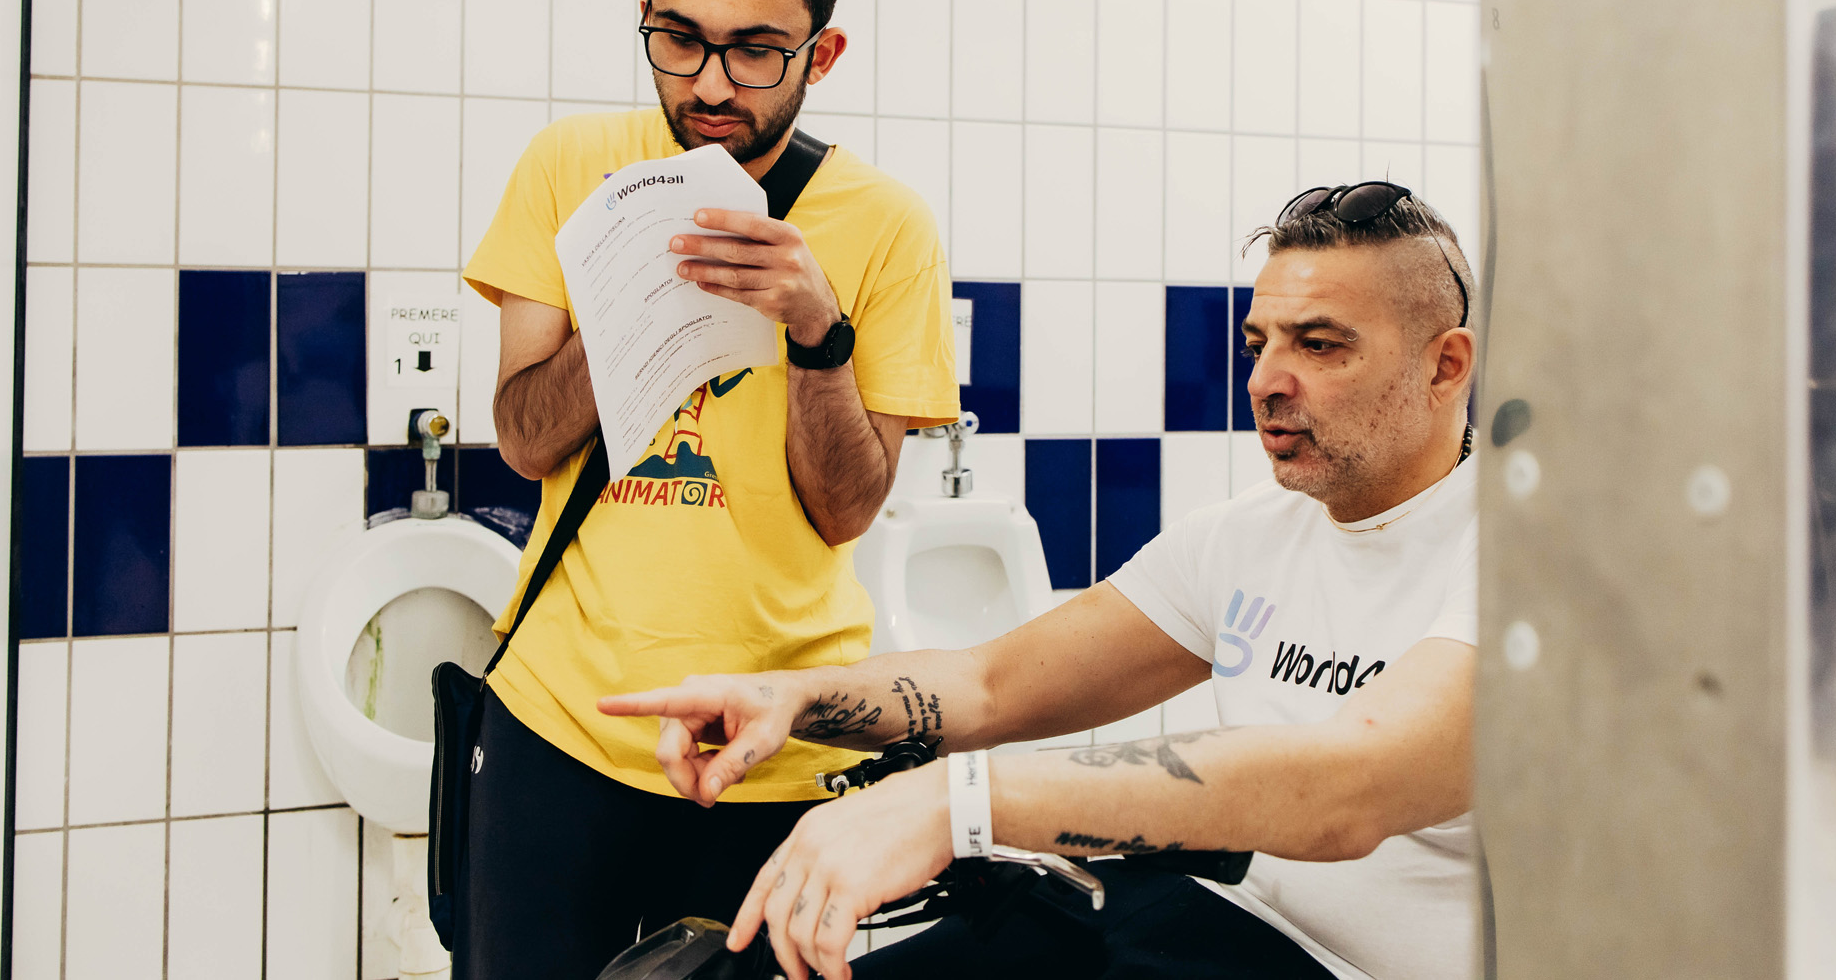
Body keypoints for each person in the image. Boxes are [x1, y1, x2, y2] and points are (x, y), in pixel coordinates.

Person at [603, 182, 1481, 980]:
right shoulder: (1251, 533)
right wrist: (793, 697)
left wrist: (958, 802)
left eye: (1320, 346)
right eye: (1259, 344)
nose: (1264, 381)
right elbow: (992, 683)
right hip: (1199, 921)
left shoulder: (1517, 567)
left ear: (1445, 366)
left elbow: (1349, 785)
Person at [458, 0, 959, 980]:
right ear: (646, 16)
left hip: (775, 742)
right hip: (561, 717)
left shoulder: (888, 226)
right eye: (678, 40)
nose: (711, 84)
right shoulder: (569, 166)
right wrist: (637, 290)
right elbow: (526, 440)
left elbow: (846, 510)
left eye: (756, 53)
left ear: (822, 54)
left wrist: (816, 328)